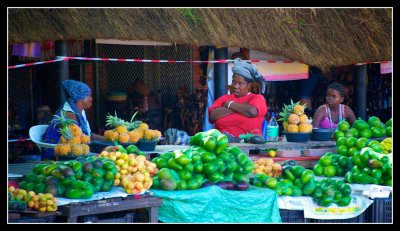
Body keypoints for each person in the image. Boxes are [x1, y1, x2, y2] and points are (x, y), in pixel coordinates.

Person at [42, 80, 105, 159]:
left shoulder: (81, 112)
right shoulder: (69, 115)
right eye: (89, 96)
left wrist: (107, 139)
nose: (91, 99)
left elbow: (88, 135)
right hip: (57, 154)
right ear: (79, 98)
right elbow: (77, 138)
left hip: (74, 149)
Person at [208, 58, 268, 139]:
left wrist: (229, 104)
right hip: (220, 143)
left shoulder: (257, 98)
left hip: (247, 145)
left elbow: (252, 111)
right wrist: (241, 108)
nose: (236, 86)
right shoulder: (224, 98)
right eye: (234, 82)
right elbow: (212, 116)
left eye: (240, 83)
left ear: (249, 85)